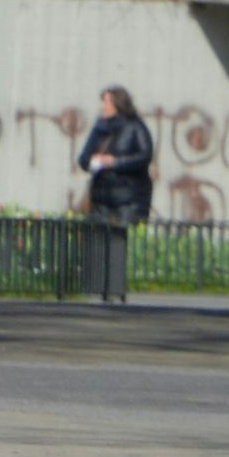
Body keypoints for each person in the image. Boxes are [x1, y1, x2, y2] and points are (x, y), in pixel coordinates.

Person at [77, 85, 150, 305]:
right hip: (101, 193)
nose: (103, 106)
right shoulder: (99, 128)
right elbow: (83, 158)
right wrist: (92, 161)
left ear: (118, 104)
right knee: (98, 238)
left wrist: (115, 162)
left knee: (117, 240)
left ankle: (115, 289)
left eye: (106, 102)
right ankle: (97, 287)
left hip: (125, 195)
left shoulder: (134, 126)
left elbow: (144, 155)